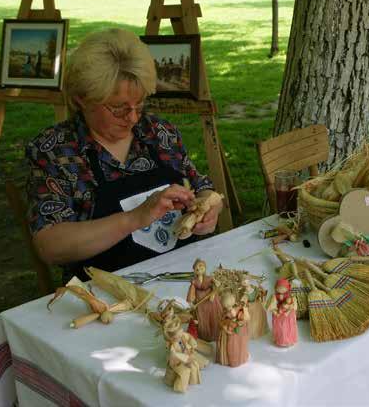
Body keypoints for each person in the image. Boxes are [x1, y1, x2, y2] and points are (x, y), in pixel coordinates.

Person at [25, 28, 223, 283]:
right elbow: (50, 246)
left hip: (185, 278)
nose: (132, 118)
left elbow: (202, 188)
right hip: (109, 295)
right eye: (118, 108)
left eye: (139, 105)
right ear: (81, 99)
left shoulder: (159, 133)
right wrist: (135, 218)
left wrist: (208, 207)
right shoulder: (54, 151)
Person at [186, 259, 221, 342]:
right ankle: (204, 334)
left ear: (205, 268)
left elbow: (216, 286)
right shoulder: (194, 281)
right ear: (194, 270)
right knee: (202, 318)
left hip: (210, 300)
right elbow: (191, 291)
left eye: (201, 268)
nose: (199, 271)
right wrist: (191, 300)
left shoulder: (209, 278)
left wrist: (213, 293)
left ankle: (214, 332)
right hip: (200, 301)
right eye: (197, 269)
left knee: (212, 316)